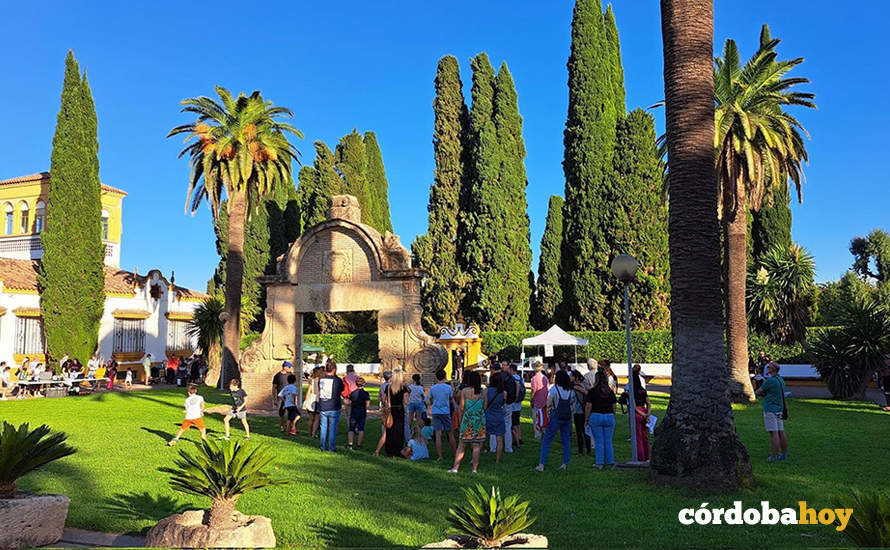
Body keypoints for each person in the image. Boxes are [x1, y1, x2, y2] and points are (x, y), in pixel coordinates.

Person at [535, 370, 576, 472]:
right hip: (566, 417)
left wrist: (547, 413)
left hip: (555, 416)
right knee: (566, 440)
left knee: (547, 440)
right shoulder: (570, 390)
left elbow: (548, 403)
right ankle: (565, 463)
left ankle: (541, 464)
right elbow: (571, 403)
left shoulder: (554, 389)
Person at [448, 370, 485, 474]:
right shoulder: (483, 392)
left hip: (467, 419)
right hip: (478, 420)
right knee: (476, 445)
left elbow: (461, 407)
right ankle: (474, 469)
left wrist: (460, 420)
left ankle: (455, 468)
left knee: (462, 445)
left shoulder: (465, 391)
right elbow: (485, 406)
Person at [585, 370, 617, 468]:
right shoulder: (610, 392)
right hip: (609, 416)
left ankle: (599, 462)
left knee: (598, 441)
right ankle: (610, 462)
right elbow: (614, 406)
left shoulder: (592, 391)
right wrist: (613, 415)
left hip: (596, 415)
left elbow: (588, 406)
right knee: (608, 441)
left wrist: (586, 419)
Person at [756, 362, 788, 462]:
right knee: (781, 432)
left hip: (770, 408)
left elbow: (759, 391)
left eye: (769, 367)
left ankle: (774, 455)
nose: (767, 368)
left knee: (773, 433)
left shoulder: (770, 381)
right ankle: (783, 454)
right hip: (780, 408)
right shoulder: (780, 379)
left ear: (773, 369)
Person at [378, 369, 409, 457]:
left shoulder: (388, 387)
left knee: (390, 430)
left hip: (391, 410)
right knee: (399, 430)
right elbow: (406, 401)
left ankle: (389, 450)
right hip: (399, 409)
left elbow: (384, 399)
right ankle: (397, 450)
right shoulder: (403, 387)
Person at [429, 369, 456, 460]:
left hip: (436, 411)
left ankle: (440, 455)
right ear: (444, 376)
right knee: (450, 433)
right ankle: (455, 453)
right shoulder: (448, 388)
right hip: (445, 411)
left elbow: (431, 400)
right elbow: (451, 398)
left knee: (438, 434)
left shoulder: (433, 388)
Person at [317, 362, 345, 452]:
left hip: (323, 405)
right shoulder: (337, 380)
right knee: (332, 428)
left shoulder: (321, 379)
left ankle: (322, 446)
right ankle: (331, 448)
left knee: (323, 427)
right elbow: (342, 389)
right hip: (334, 406)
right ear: (334, 369)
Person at [484, 371, 506, 463]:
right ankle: (498, 459)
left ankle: (476, 456)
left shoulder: (487, 391)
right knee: (499, 439)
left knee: (482, 437)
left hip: (488, 416)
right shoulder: (504, 393)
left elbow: (485, 406)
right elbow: (503, 403)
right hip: (499, 416)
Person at [347, 376, 370, 450]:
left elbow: (349, 402)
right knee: (361, 428)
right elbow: (367, 404)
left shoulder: (353, 393)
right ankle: (359, 445)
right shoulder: (366, 393)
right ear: (363, 384)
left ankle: (350, 444)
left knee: (351, 429)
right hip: (362, 412)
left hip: (354, 411)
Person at [632, 371, 652, 461]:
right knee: (645, 436)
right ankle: (647, 456)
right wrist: (647, 414)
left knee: (638, 437)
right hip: (644, 410)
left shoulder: (632, 392)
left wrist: (642, 414)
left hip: (637, 413)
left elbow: (633, 406)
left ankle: (640, 456)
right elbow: (648, 403)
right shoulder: (643, 390)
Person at [571, 371, 591, 455]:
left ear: (575, 377)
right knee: (584, 431)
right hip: (582, 410)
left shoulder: (576, 387)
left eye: (571, 376)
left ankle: (581, 451)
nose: (570, 377)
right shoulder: (582, 385)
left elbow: (586, 393)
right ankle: (588, 449)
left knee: (579, 432)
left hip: (579, 411)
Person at [272, 361, 293, 432]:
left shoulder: (290, 375)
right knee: (281, 412)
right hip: (281, 397)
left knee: (290, 412)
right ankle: (282, 426)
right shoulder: (277, 376)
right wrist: (274, 398)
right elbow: (274, 387)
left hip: (289, 396)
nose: (290, 369)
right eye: (289, 367)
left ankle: (289, 426)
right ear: (285, 367)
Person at [530, 362, 549, 439]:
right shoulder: (545, 378)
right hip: (544, 400)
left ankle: (538, 434)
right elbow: (547, 389)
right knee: (544, 417)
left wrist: (531, 400)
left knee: (536, 418)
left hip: (537, 400)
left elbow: (533, 391)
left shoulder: (534, 379)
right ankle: (545, 432)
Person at [509, 363, 525, 448]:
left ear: (511, 370)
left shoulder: (512, 379)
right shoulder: (521, 378)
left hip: (513, 404)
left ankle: (516, 440)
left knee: (512, 424)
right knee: (517, 423)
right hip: (519, 404)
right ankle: (520, 436)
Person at [305, 367, 324, 438]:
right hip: (318, 399)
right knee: (316, 419)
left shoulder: (311, 380)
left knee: (310, 419)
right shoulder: (322, 380)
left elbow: (308, 391)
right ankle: (313, 434)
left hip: (311, 399)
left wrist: (306, 400)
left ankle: (309, 433)